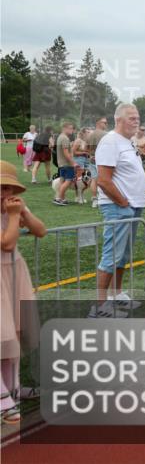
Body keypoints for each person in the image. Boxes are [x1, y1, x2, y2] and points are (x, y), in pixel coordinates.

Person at [1, 160, 46, 423]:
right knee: (2, 334)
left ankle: (13, 387)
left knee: (16, 332)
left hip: (16, 272)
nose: (3, 193)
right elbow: (6, 243)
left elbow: (40, 230)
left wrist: (24, 214)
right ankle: (2, 397)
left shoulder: (15, 208)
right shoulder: (10, 213)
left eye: (7, 188)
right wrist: (14, 217)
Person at [93, 104, 145, 317]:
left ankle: (116, 294)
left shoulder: (128, 141)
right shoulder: (110, 141)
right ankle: (100, 305)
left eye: (137, 117)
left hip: (132, 206)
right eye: (132, 118)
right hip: (119, 207)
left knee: (122, 255)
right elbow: (103, 180)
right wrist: (123, 203)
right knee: (111, 255)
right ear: (118, 120)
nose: (136, 121)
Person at [52, 121, 77, 206]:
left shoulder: (60, 137)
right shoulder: (65, 138)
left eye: (72, 128)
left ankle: (61, 198)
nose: (72, 130)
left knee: (62, 181)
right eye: (70, 128)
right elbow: (66, 153)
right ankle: (59, 198)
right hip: (67, 164)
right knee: (68, 181)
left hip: (61, 164)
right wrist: (73, 163)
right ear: (64, 128)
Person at [86, 117, 110, 207]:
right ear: (98, 123)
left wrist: (91, 155)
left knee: (94, 179)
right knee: (104, 179)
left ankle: (94, 199)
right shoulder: (106, 134)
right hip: (103, 160)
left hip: (92, 159)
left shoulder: (89, 135)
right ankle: (104, 198)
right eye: (105, 123)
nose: (106, 124)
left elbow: (86, 148)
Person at [71, 128, 92, 204]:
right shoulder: (78, 141)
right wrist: (84, 153)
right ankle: (77, 197)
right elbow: (73, 152)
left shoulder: (86, 141)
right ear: (83, 133)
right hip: (78, 160)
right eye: (87, 132)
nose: (89, 133)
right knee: (79, 180)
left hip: (86, 160)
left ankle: (82, 197)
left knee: (85, 180)